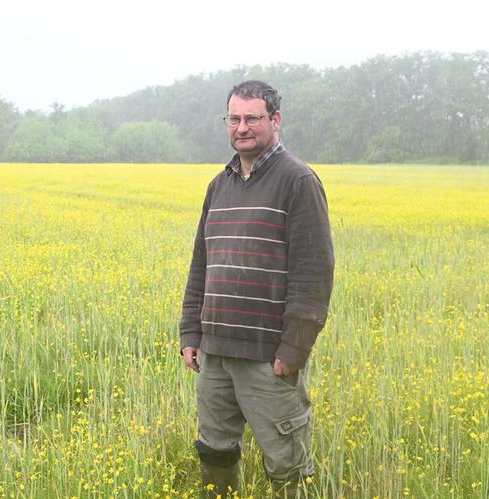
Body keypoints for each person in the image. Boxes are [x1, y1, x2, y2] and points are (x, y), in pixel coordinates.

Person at [179, 80, 334, 498]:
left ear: (275, 119)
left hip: (268, 357)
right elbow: (202, 264)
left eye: (252, 117)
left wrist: (293, 350)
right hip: (216, 353)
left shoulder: (298, 181)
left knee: (286, 462)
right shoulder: (219, 185)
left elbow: (314, 273)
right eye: (234, 118)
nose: (242, 127)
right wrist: (191, 334)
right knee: (214, 449)